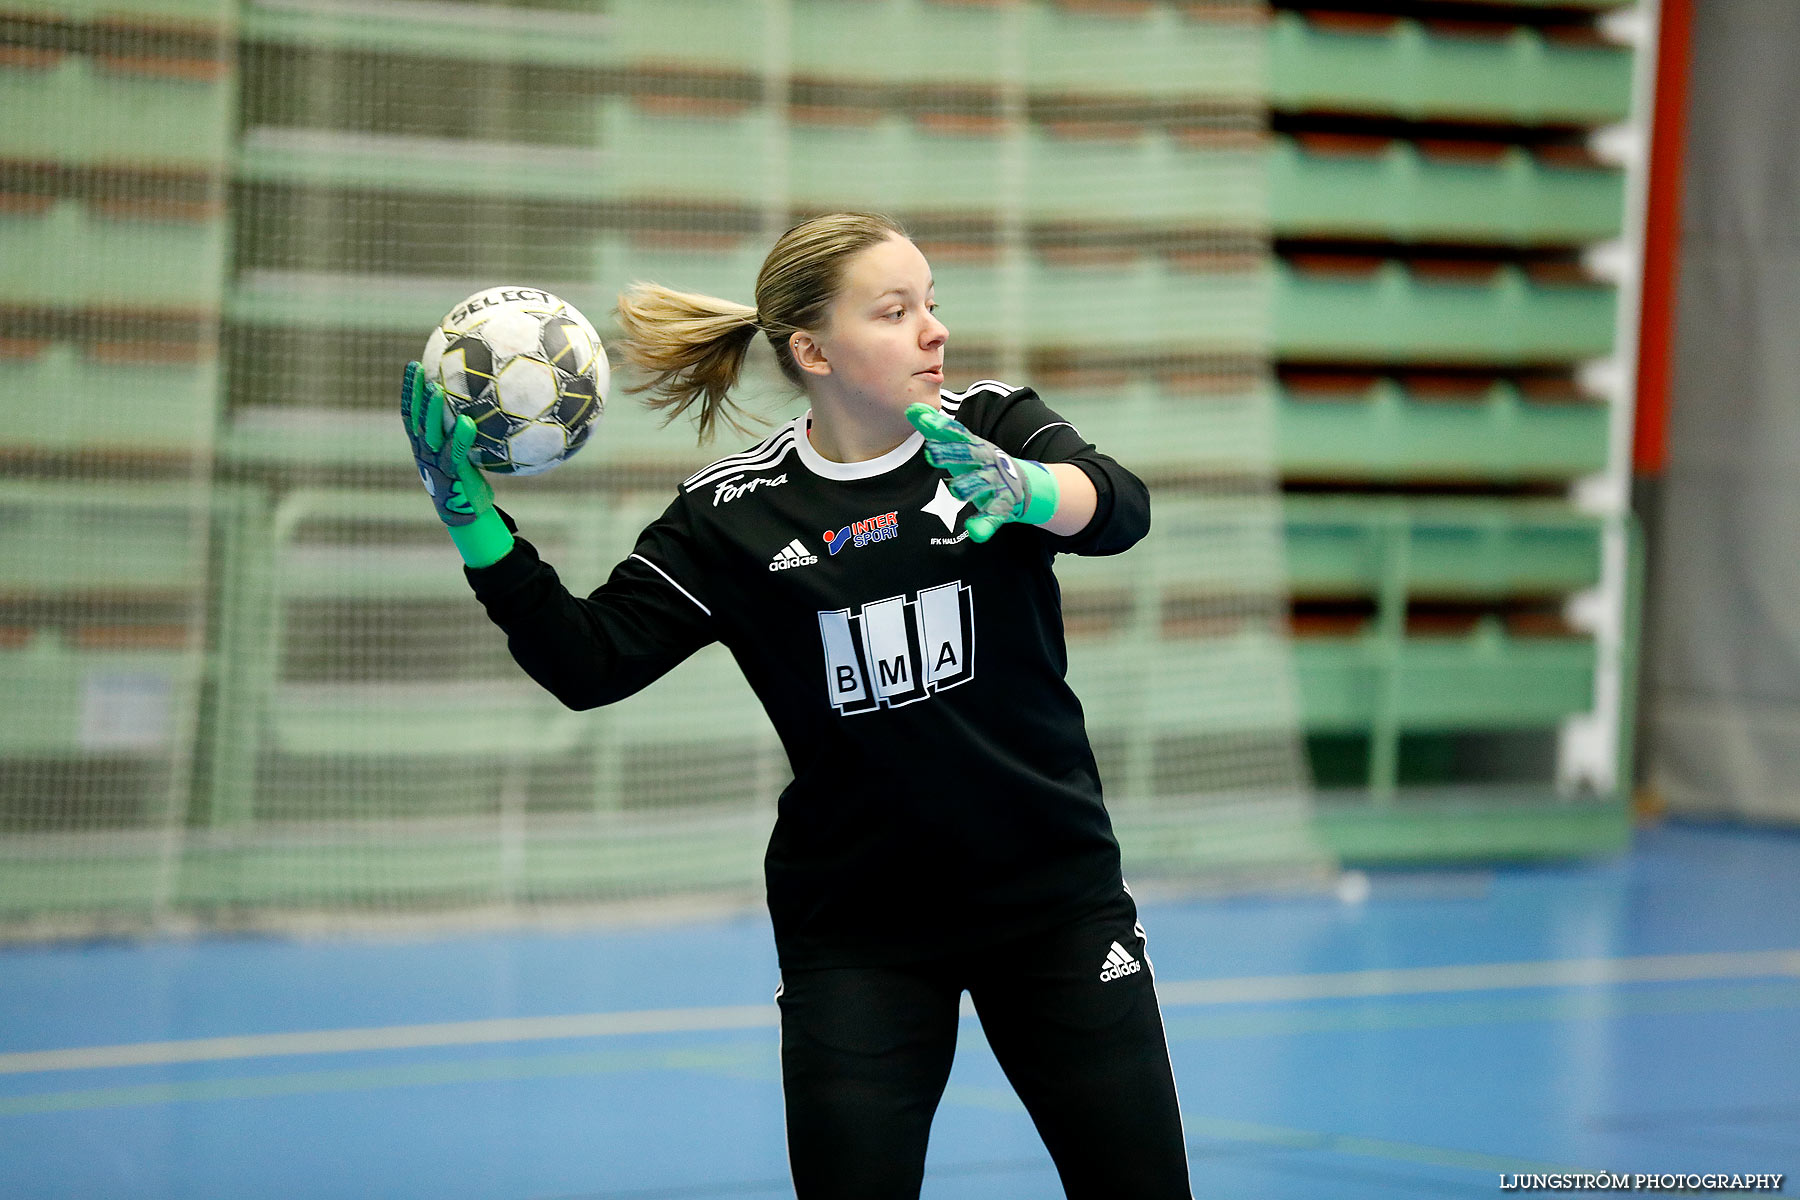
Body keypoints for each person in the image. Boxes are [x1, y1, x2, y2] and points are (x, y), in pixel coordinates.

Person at [400, 211, 1191, 1198]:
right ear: (813, 350)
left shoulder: (989, 425)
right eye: (897, 311)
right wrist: (472, 520)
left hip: (1055, 906)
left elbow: (1119, 504)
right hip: (858, 935)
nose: (934, 331)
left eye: (931, 305)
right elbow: (589, 661)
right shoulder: (732, 515)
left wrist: (1028, 490)